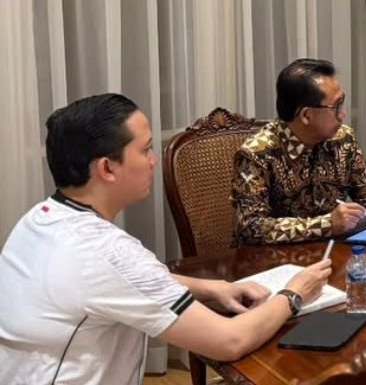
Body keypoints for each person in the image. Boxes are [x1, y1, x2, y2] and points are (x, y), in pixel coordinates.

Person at [0, 94, 333, 384]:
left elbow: (118, 282)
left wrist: (213, 287)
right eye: (144, 150)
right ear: (107, 168)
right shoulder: (109, 252)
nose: (153, 160)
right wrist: (294, 292)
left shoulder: (40, 220)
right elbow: (229, 341)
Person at [233, 58, 366, 244]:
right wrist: (326, 225)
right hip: (275, 264)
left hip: (334, 252)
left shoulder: (342, 140)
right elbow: (252, 227)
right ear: (306, 116)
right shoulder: (257, 154)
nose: (343, 114)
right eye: (336, 106)